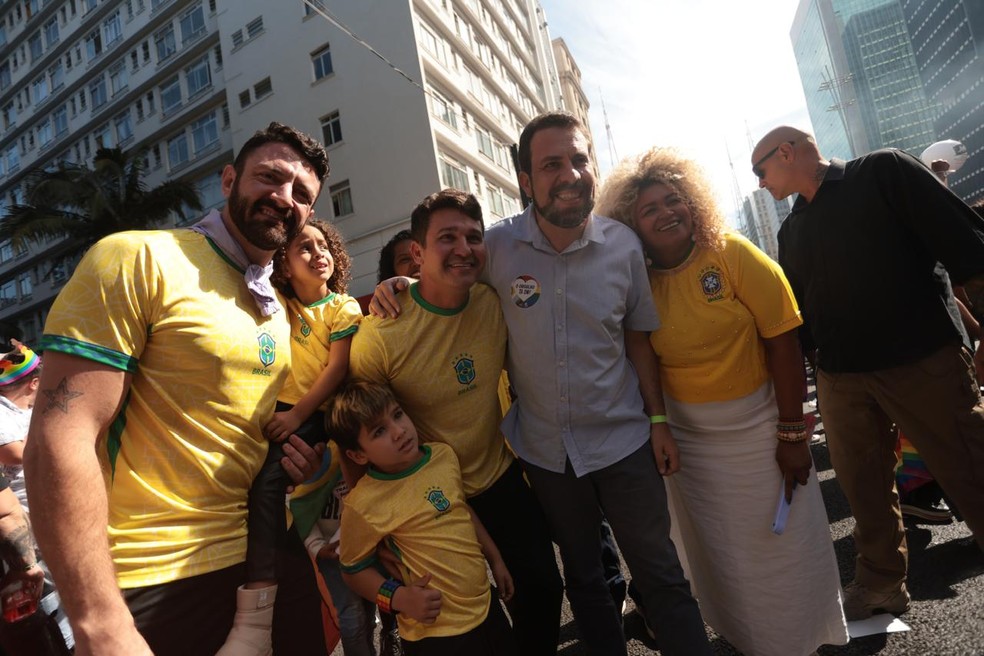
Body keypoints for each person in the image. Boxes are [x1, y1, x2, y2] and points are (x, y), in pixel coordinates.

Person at [374, 112, 711, 655]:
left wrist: (658, 422)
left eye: (579, 160)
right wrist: (401, 282)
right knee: (587, 581)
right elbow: (445, 276)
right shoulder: (498, 248)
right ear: (526, 182)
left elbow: (638, 341)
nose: (570, 174)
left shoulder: (623, 245)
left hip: (625, 442)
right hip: (548, 456)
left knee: (663, 576)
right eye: (551, 164)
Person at [23, 122, 331, 656]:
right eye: (270, 178)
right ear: (229, 179)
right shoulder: (136, 258)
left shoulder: (275, 308)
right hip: (157, 573)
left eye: (302, 195)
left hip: (267, 557)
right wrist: (99, 622)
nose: (285, 199)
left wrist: (305, 462)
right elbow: (60, 436)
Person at [595, 147, 848, 655]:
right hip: (689, 442)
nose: (666, 213)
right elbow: (638, 350)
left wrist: (792, 432)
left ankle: (798, 642)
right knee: (721, 556)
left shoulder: (733, 253)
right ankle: (750, 640)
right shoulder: (634, 280)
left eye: (674, 200)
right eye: (649, 209)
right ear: (630, 223)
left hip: (761, 425)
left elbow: (784, 341)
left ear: (694, 203)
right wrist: (660, 425)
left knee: (783, 546)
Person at [753, 125, 984, 621]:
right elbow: (800, 316)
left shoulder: (882, 170)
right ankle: (880, 585)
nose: (760, 182)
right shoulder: (790, 230)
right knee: (864, 491)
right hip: (840, 378)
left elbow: (966, 246)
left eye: (761, 169)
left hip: (921, 361)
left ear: (787, 152)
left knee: (970, 465)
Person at [352, 189, 563, 655]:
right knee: (461, 623)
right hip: (428, 498)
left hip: (497, 475)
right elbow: (359, 430)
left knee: (543, 589)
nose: (464, 249)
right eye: (447, 238)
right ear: (417, 253)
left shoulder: (492, 302)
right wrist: (372, 525)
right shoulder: (381, 336)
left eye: (473, 237)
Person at [219, 217, 361, 655]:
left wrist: (297, 414)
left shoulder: (343, 306)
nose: (319, 253)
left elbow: (336, 369)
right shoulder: (282, 304)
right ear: (283, 265)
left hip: (315, 412)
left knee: (270, 487)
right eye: (305, 248)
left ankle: (259, 601)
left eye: (323, 246)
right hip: (282, 412)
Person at [329, 381, 517, 655]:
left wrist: (495, 557)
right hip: (434, 632)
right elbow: (352, 570)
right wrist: (398, 598)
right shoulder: (363, 503)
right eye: (379, 431)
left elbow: (461, 509)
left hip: (485, 607)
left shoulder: (442, 456)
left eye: (397, 414)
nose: (398, 431)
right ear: (358, 454)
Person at [0, 346, 73, 654]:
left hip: (47, 515)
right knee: (41, 592)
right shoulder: (2, 409)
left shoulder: (28, 413)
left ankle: (68, 640)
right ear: (32, 383)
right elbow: (13, 453)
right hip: (25, 523)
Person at [290, 441, 377, 656]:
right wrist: (317, 547)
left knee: (368, 607)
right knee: (352, 615)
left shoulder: (357, 457)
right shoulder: (308, 468)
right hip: (331, 553)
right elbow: (298, 510)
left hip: (363, 546)